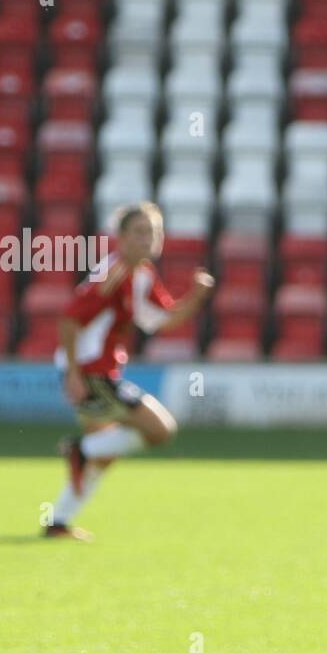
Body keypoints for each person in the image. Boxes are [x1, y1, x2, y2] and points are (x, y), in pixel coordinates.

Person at [45, 202, 215, 540]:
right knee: (160, 429)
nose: (147, 239)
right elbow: (69, 319)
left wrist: (196, 296)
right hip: (91, 372)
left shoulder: (141, 274)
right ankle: (80, 450)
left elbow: (164, 320)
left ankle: (59, 522)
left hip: (97, 371)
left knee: (106, 451)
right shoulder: (114, 273)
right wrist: (75, 374)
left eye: (153, 232)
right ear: (120, 237)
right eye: (139, 232)